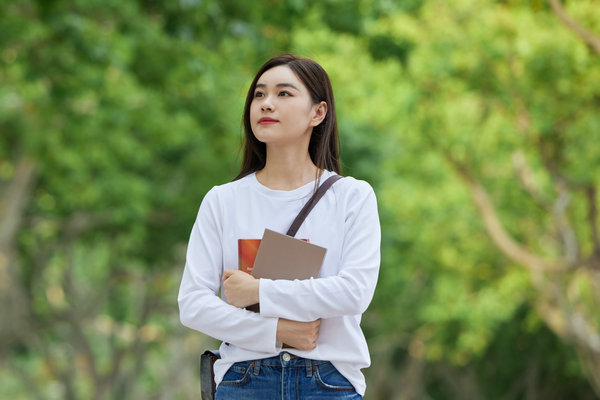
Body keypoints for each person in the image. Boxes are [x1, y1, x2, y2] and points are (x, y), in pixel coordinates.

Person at [178, 54, 380, 399]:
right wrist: (275, 331)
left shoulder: (352, 197)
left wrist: (259, 292)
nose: (266, 104)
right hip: (244, 380)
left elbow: (354, 292)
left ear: (318, 112)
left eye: (283, 94)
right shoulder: (223, 201)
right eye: (259, 95)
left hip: (328, 382)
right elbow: (193, 304)